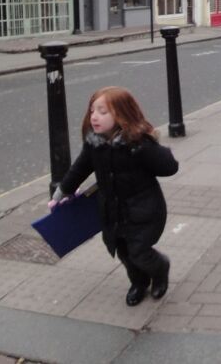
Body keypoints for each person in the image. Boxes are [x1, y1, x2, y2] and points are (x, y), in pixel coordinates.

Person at [48, 86, 178, 307]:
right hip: (112, 212)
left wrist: (146, 146)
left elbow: (169, 167)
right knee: (125, 253)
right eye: (92, 111)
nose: (94, 117)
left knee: (139, 251)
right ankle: (138, 282)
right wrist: (61, 193)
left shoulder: (137, 143)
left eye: (102, 111)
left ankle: (160, 270)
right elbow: (79, 170)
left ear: (122, 114)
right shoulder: (94, 145)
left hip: (144, 211)